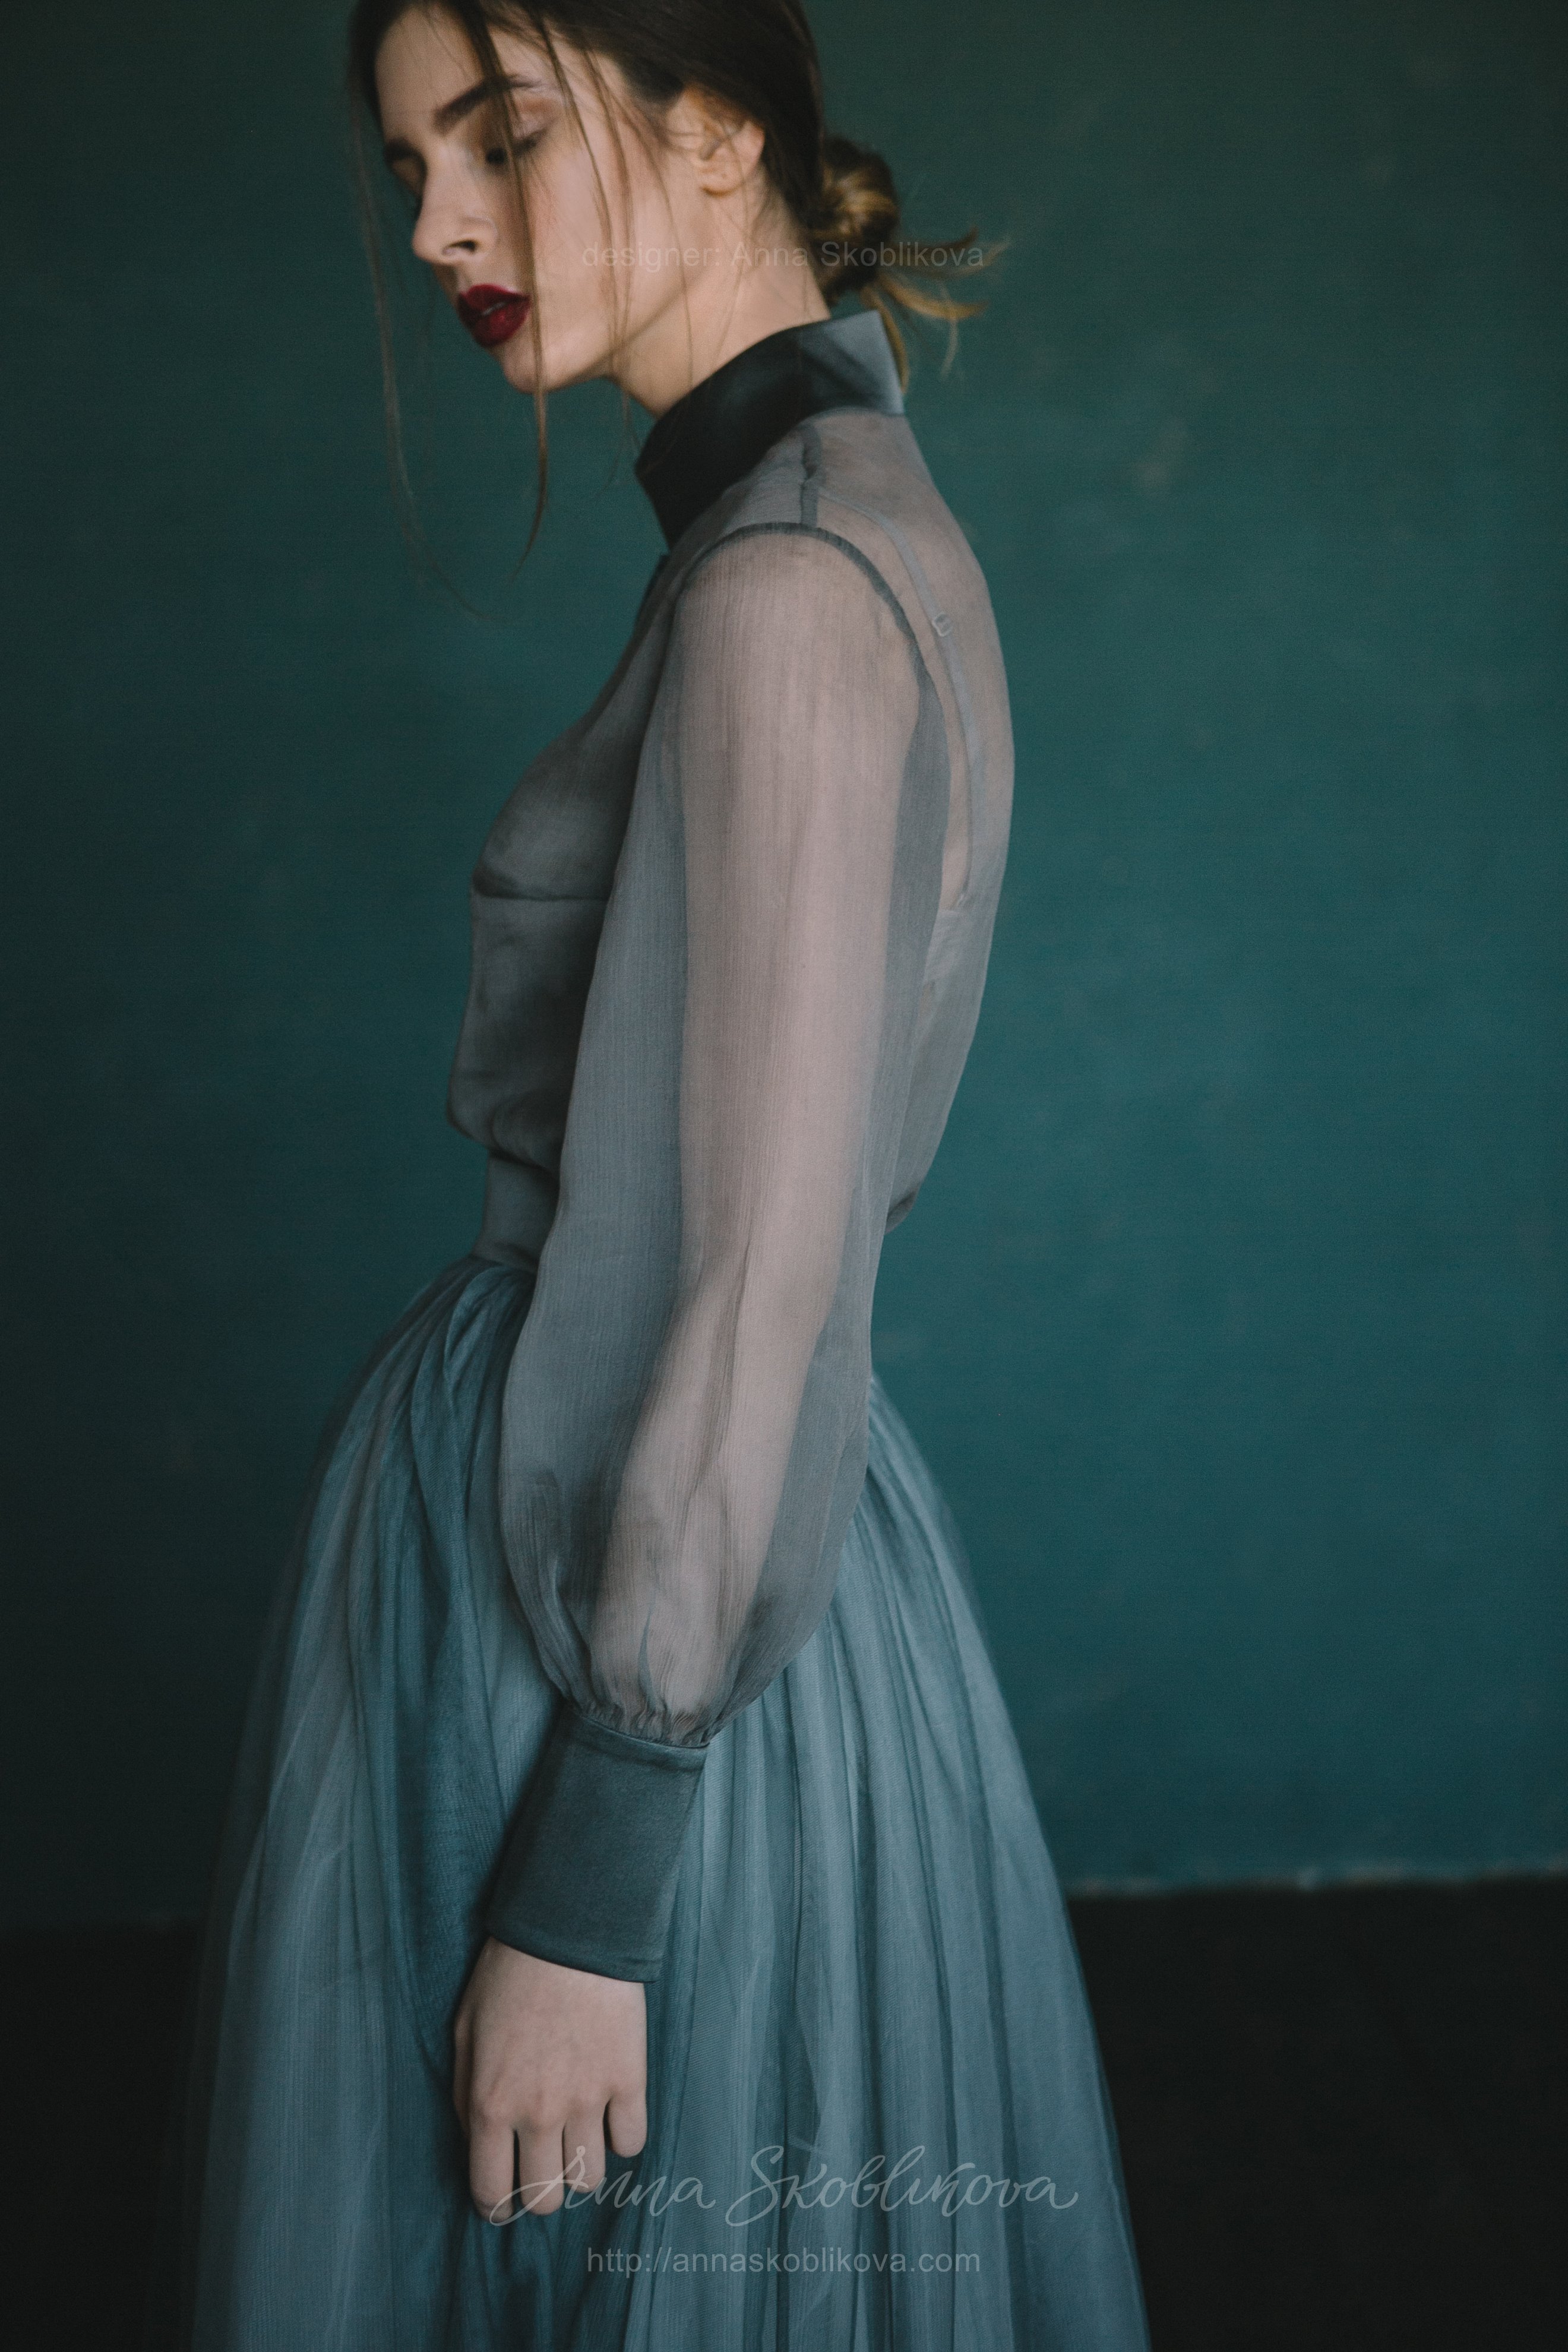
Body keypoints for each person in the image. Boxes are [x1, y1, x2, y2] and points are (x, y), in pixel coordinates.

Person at [154, 2, 1152, 2345]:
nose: (441, 226)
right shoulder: (818, 519)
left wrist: (588, 1888)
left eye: (499, 138)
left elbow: (754, 1269)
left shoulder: (788, 586)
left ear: (716, 142)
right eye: (411, 169)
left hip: (619, 1585)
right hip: (664, 1551)